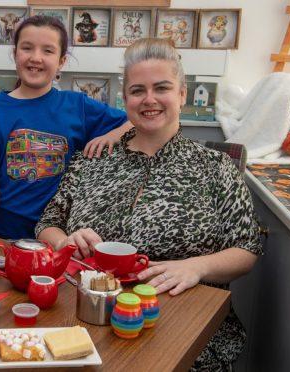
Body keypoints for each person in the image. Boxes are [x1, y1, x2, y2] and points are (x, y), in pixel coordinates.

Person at [36, 38, 262, 370]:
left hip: (183, 332)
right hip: (85, 324)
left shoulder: (216, 168)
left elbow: (247, 248)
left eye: (162, 88)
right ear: (125, 99)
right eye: (138, 90)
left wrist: (196, 267)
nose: (149, 99)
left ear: (182, 94)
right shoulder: (92, 160)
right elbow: (47, 223)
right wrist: (65, 241)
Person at [0, 15, 131, 239]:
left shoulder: (77, 105)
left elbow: (134, 121)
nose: (36, 58)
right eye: (27, 48)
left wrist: (112, 135)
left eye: (48, 51)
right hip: (1, 235)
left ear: (61, 61)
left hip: (60, 238)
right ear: (15, 55)